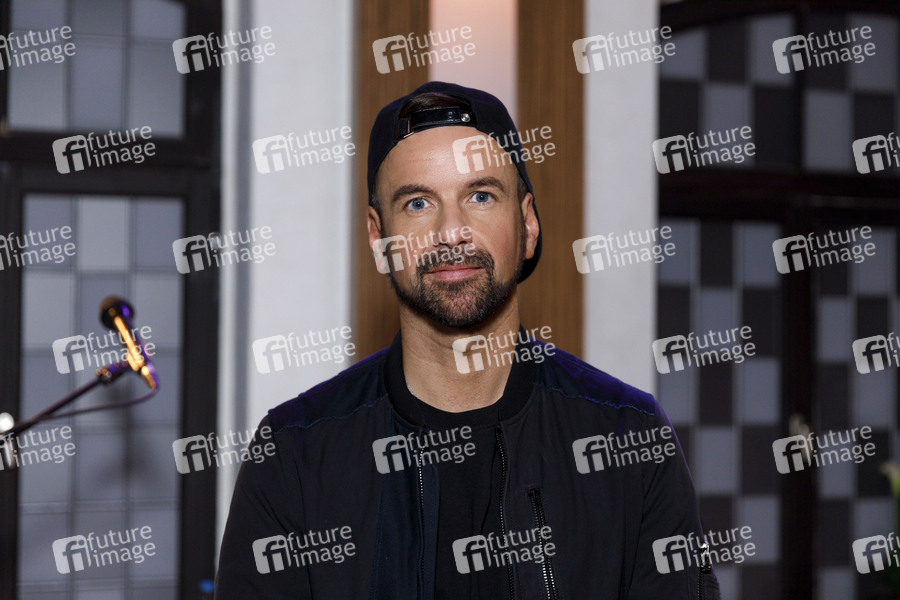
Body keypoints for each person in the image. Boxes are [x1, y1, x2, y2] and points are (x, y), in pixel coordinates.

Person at [216, 81, 720, 599]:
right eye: (417, 203)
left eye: (480, 196)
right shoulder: (294, 453)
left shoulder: (628, 438)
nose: (451, 231)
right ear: (378, 237)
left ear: (527, 224)